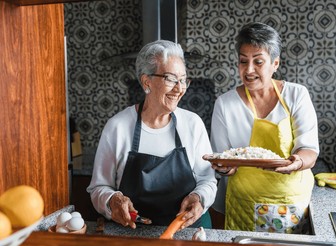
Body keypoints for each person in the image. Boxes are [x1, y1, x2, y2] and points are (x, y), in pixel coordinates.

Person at [87, 40, 217, 229]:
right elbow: (98, 188)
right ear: (146, 81)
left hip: (189, 232)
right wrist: (112, 199)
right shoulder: (118, 127)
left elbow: (207, 180)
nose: (179, 88)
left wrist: (199, 198)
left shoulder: (192, 124)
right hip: (133, 234)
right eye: (171, 79)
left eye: (183, 80)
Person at [210, 22, 319, 233]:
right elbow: (223, 158)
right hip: (241, 201)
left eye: (258, 61)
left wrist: (296, 163)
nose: (249, 70)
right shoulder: (225, 103)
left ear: (275, 63)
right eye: (243, 61)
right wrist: (224, 166)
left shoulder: (296, 95)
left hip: (290, 202)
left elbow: (309, 150)